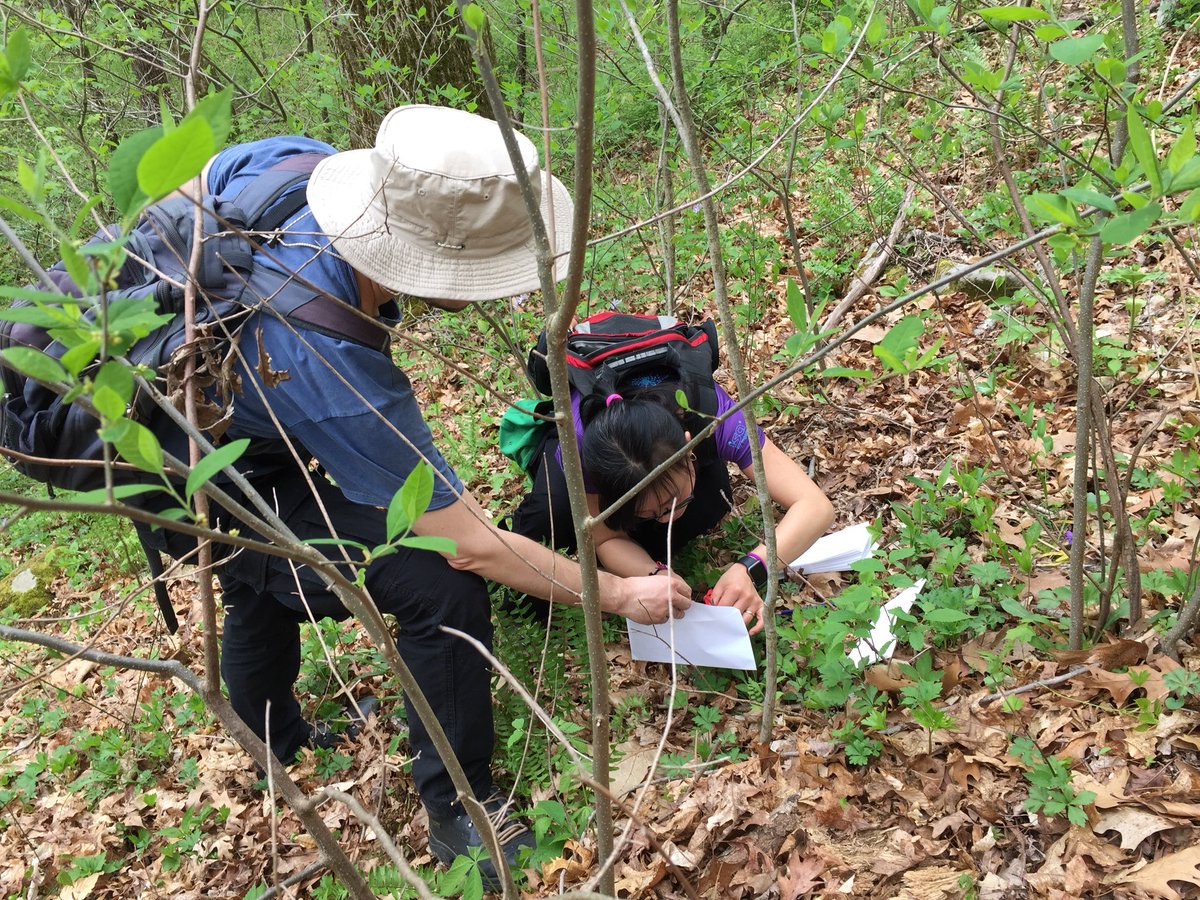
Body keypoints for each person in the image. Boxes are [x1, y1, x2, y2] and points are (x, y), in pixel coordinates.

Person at [138, 105, 691, 888]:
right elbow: (465, 539)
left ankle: (276, 740)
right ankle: (458, 805)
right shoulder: (325, 356)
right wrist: (620, 595)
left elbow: (186, 199)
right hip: (182, 467)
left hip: (231, 417)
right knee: (437, 579)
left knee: (254, 588)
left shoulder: (298, 164)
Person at [508, 369, 835, 634]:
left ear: (688, 450)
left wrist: (751, 568)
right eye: (650, 512)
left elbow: (815, 506)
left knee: (708, 508)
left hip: (682, 431)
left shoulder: (714, 413)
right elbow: (604, 534)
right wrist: (655, 574)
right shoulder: (581, 454)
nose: (666, 519)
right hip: (573, 456)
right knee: (551, 515)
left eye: (674, 502)